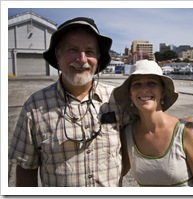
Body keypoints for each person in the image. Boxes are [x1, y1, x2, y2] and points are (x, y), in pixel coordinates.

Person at [8, 17, 126, 187]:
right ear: (58, 55)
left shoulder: (116, 99)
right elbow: (26, 168)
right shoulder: (34, 107)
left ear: (98, 58)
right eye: (73, 49)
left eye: (90, 51)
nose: (82, 59)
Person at [114, 60, 193, 187]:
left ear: (162, 92)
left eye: (151, 83)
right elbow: (114, 174)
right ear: (130, 95)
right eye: (137, 84)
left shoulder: (187, 133)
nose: (144, 89)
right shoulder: (127, 134)